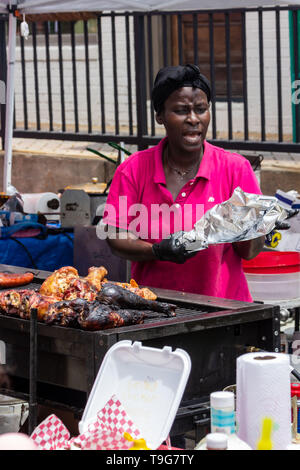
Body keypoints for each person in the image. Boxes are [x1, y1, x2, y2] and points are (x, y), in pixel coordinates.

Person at [102, 64, 265, 302]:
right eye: (181, 110)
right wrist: (157, 251)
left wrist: (254, 226)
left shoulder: (234, 169)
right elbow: (116, 238)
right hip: (153, 307)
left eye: (201, 109)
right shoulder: (134, 169)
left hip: (223, 308)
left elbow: (249, 253)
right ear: (160, 116)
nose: (193, 119)